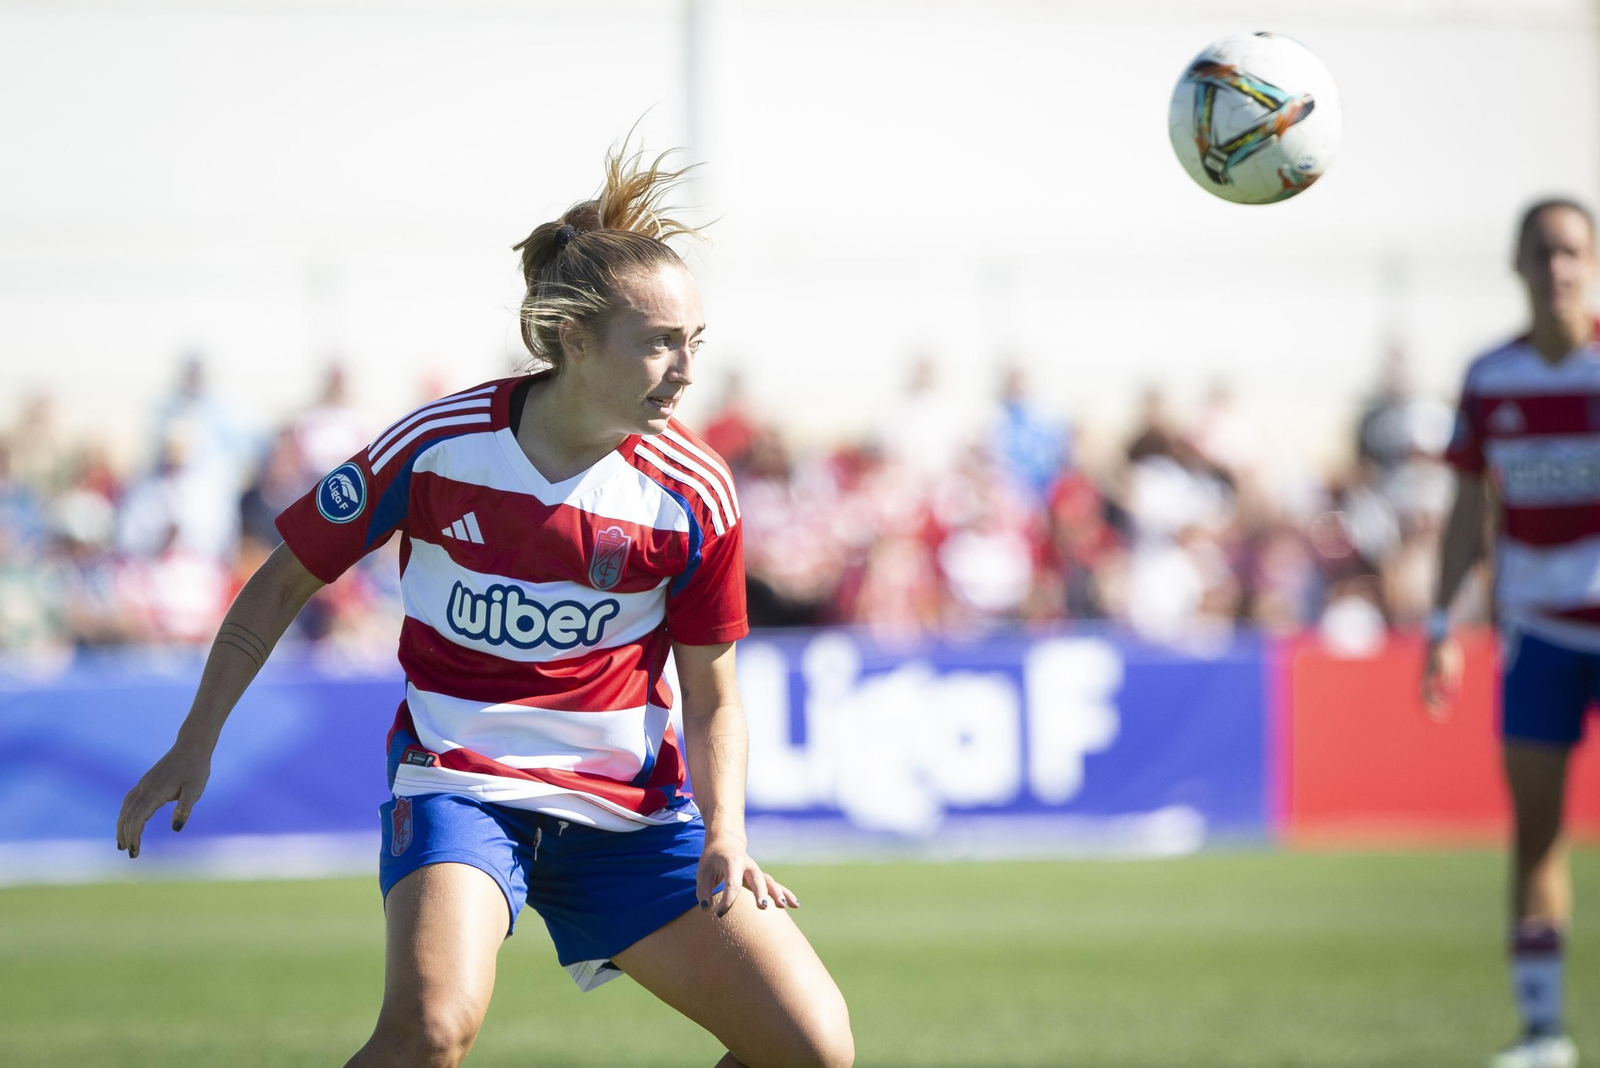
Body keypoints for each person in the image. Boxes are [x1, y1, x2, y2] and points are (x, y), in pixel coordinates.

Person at [115, 143, 854, 1068]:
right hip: (460, 782)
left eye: (695, 342)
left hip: (628, 812)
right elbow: (279, 584)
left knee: (812, 1049)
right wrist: (197, 738)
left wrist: (727, 833)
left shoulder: (695, 491)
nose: (686, 370)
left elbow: (715, 697)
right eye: (660, 342)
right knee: (430, 1031)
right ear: (574, 339)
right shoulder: (438, 447)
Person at [1425, 197, 1598, 1068]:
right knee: (1536, 833)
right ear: (1517, 263)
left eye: (1570, 252)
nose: (1556, 267)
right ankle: (1543, 1034)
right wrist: (1439, 620)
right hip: (1538, 632)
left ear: (1592, 261)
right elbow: (1465, 508)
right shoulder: (1491, 377)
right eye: (1541, 252)